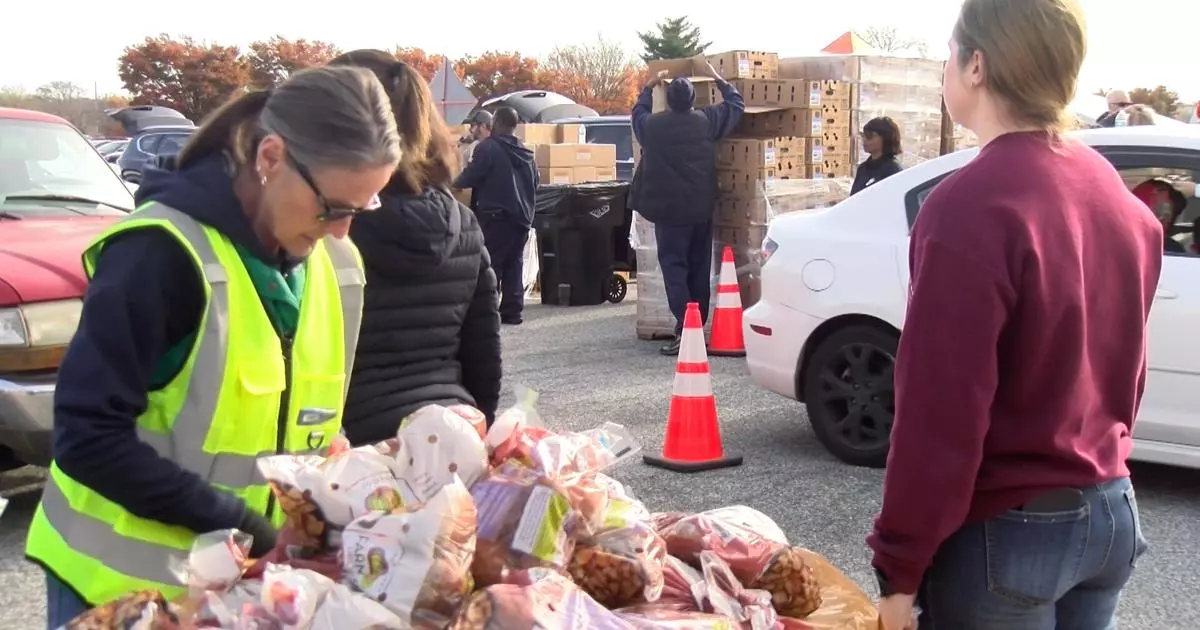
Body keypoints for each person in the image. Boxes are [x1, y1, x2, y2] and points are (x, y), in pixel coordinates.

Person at [25, 65, 401, 628]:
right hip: (116, 592)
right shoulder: (159, 254)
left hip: (241, 592)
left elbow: (309, 423)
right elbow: (86, 438)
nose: (342, 230)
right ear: (270, 158)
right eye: (333, 207)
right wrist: (246, 524)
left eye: (360, 209)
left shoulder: (337, 264)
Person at [867, 1, 1159, 628]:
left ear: (976, 65)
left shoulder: (970, 205)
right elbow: (1127, 373)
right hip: (1111, 504)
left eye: (949, 54)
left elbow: (940, 410)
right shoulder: (1116, 197)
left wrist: (899, 570)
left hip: (1013, 532)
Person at [328, 49, 503, 444]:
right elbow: (483, 353)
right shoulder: (463, 224)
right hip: (450, 431)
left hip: (352, 442)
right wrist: (479, 432)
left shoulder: (331, 226)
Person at [629, 63, 745, 355]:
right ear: (694, 101)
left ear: (668, 101)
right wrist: (719, 79)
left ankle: (686, 326)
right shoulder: (706, 121)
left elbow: (637, 113)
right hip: (700, 208)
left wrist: (649, 85)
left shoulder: (653, 127)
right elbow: (736, 104)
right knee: (698, 267)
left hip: (668, 211)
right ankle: (697, 325)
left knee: (674, 267)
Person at [453, 106, 537, 325]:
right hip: (522, 218)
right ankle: (513, 312)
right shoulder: (526, 152)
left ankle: (488, 313)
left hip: (496, 215)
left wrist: (450, 185)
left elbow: (472, 175)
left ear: (496, 123)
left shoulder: (488, 148)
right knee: (514, 264)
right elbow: (535, 182)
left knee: (492, 266)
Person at [850, 116, 903, 195]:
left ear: (885, 138)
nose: (864, 139)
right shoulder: (863, 168)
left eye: (869, 135)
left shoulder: (893, 171)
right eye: (863, 135)